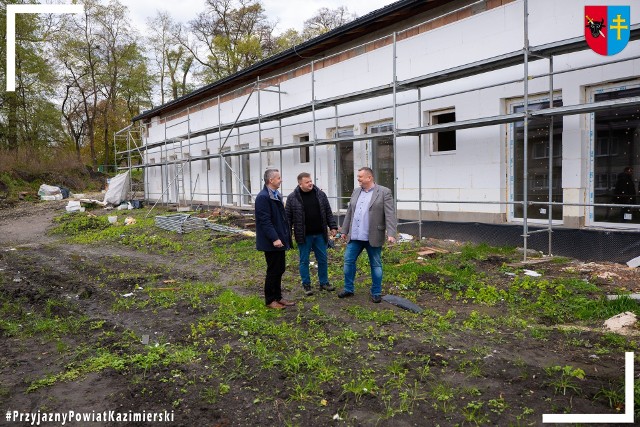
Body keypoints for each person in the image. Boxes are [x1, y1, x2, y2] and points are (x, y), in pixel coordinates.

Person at [338, 167, 397, 303]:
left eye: (360, 176)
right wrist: (344, 231)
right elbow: (349, 213)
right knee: (348, 261)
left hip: (373, 236)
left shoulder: (384, 192)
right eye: (358, 176)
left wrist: (391, 233)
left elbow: (389, 214)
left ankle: (376, 291)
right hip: (355, 236)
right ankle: (348, 289)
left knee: (376, 265)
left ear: (369, 178)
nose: (358, 178)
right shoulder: (356, 191)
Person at [285, 172, 338, 296]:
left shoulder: (320, 194)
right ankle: (306, 284)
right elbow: (287, 218)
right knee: (304, 261)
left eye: (310, 181)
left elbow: (328, 212)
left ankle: (324, 283)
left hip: (320, 234)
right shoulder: (292, 198)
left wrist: (333, 226)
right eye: (307, 182)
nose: (310, 183)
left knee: (323, 259)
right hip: (303, 236)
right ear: (300, 184)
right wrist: (286, 235)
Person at [255, 169, 295, 309]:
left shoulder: (275, 195)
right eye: (278, 178)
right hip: (272, 242)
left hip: (279, 239)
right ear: (270, 180)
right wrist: (274, 238)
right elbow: (265, 221)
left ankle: (278, 297)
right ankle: (270, 300)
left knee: (280, 269)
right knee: (273, 270)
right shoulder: (263, 197)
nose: (281, 180)